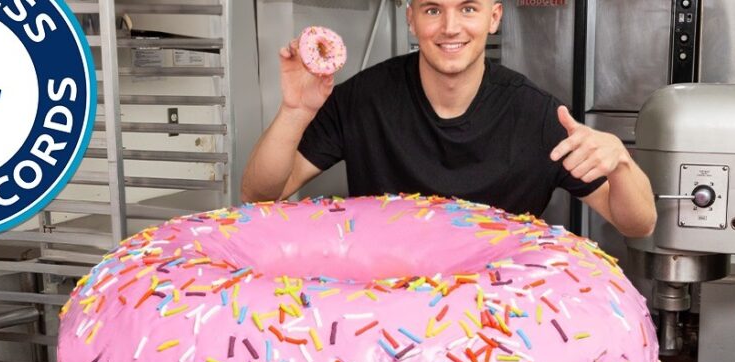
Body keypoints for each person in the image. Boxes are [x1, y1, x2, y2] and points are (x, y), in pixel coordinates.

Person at [241, 0, 656, 238]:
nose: (451, 27)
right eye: (433, 9)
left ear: (493, 17)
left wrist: (620, 162)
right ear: (411, 18)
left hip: (498, 323)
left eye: (468, 8)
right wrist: (295, 111)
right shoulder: (363, 99)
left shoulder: (538, 116)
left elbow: (637, 223)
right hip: (389, 315)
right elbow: (260, 196)